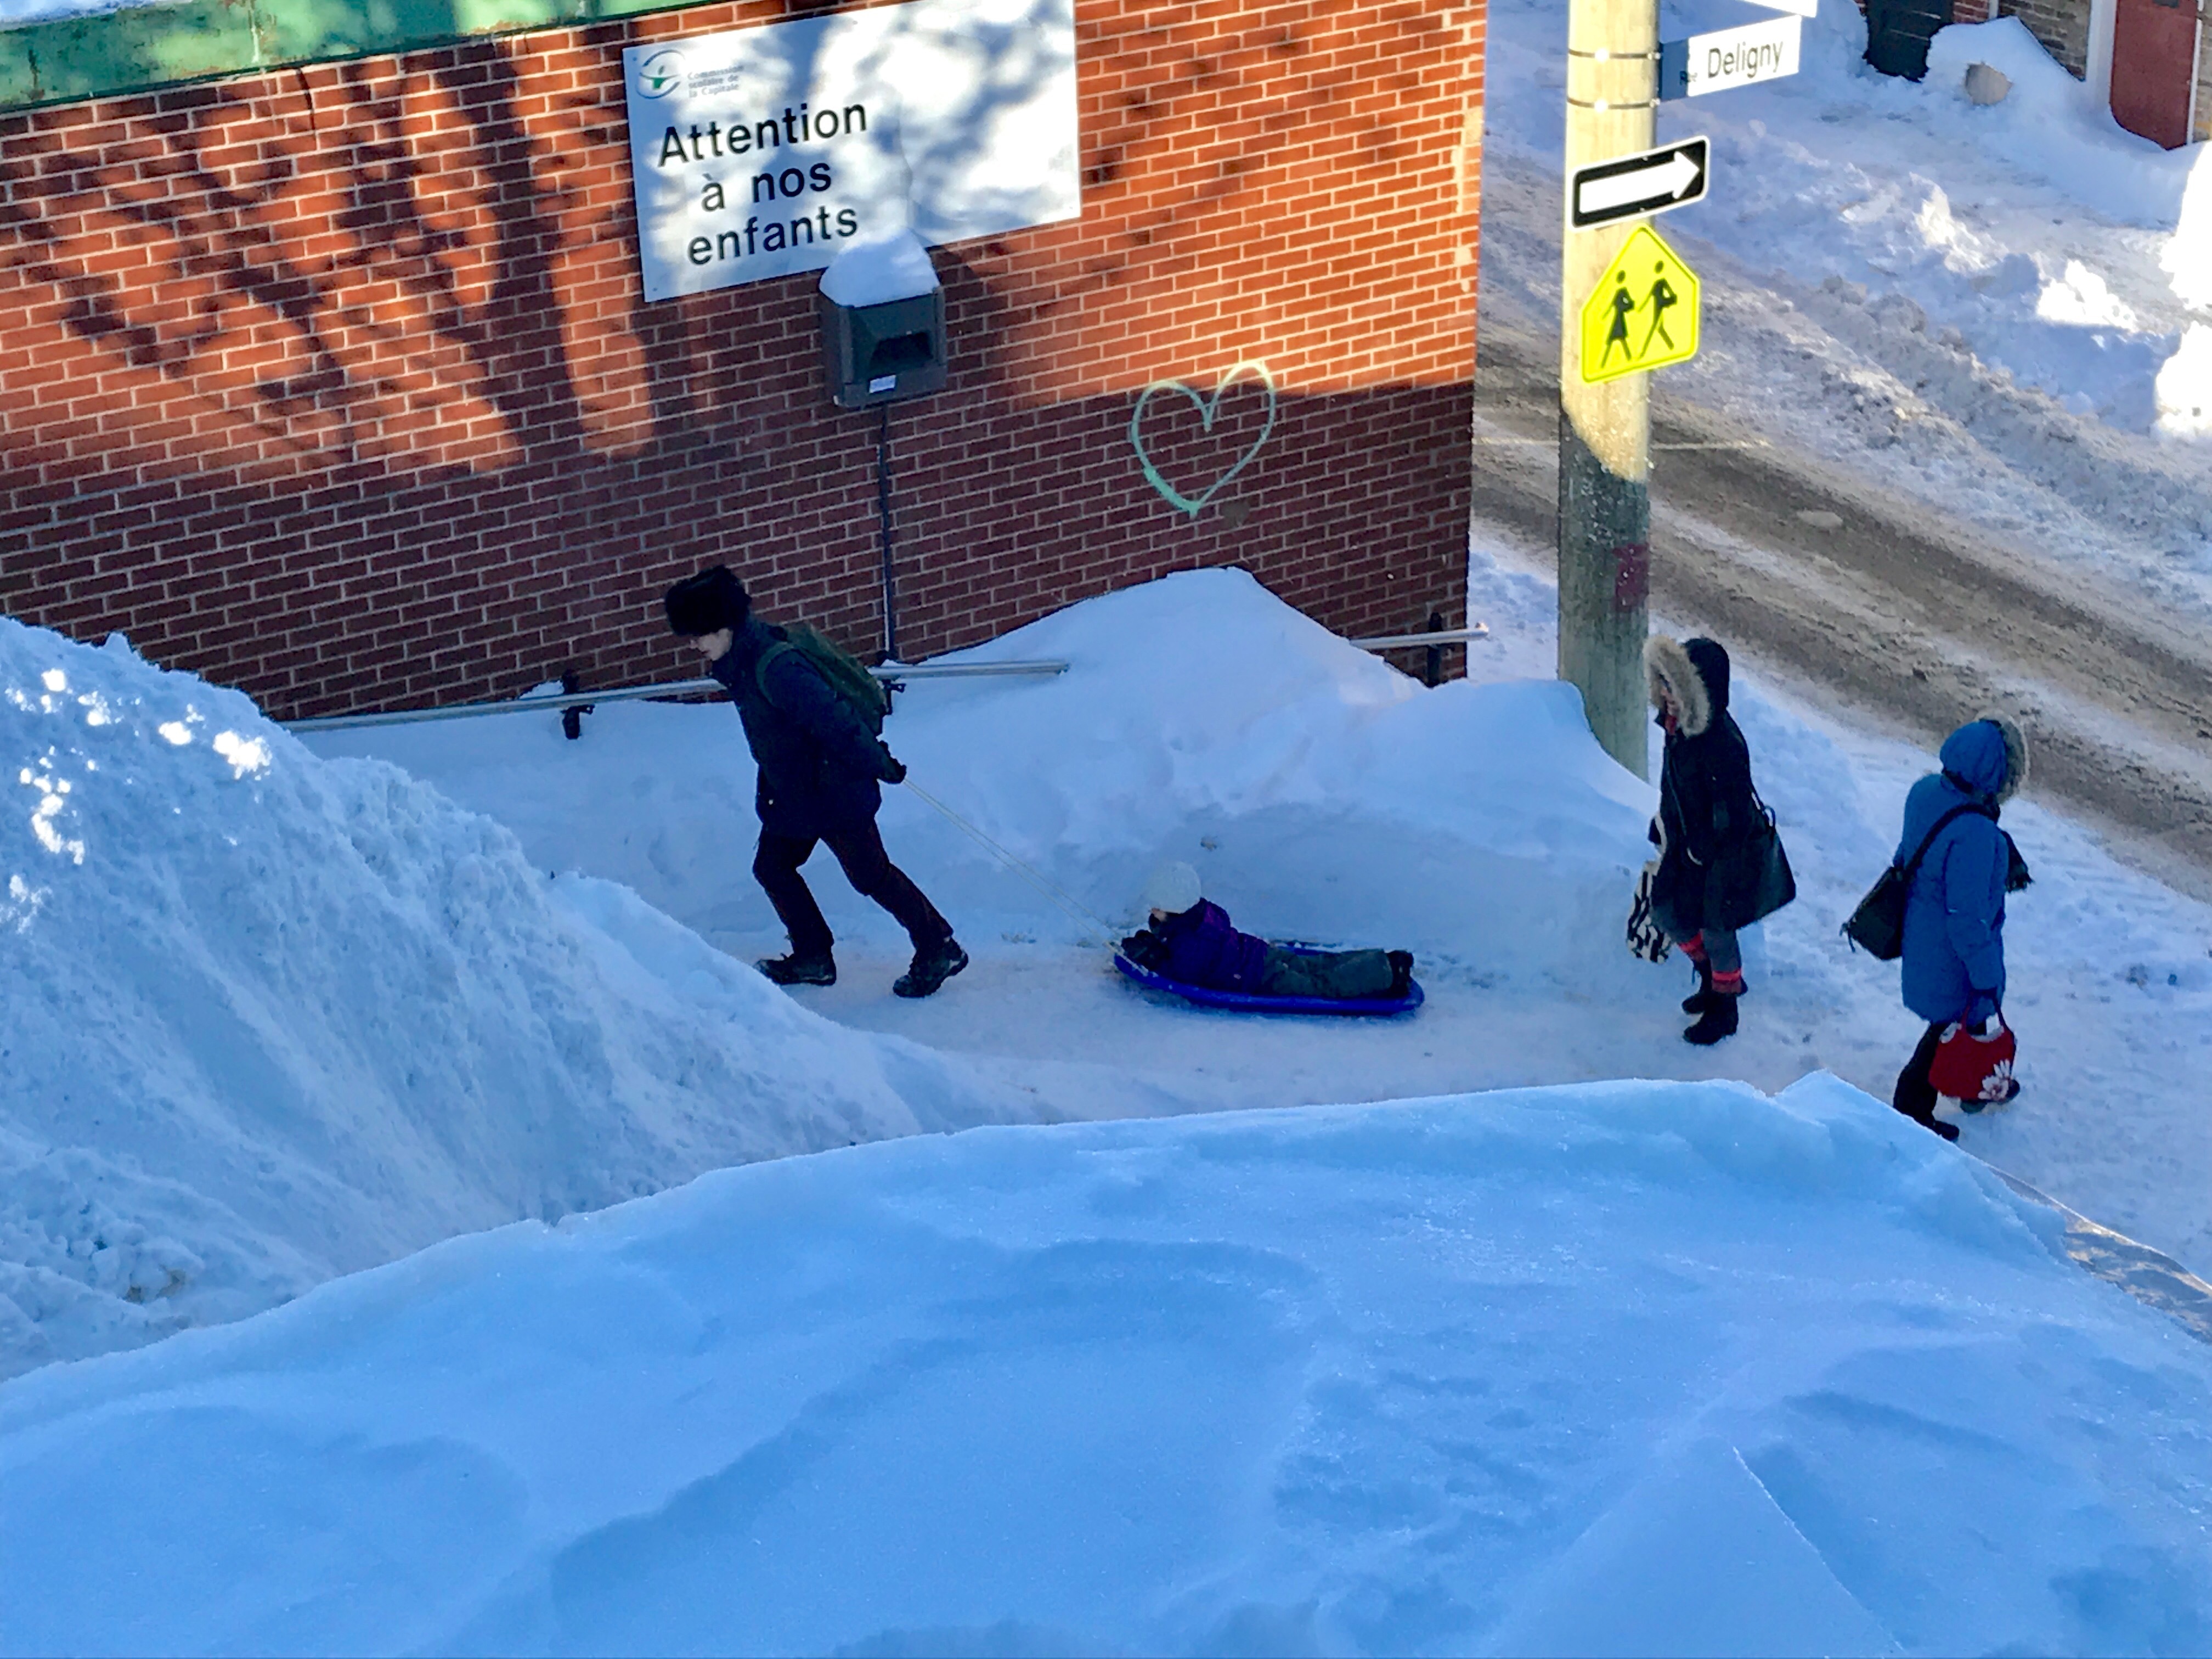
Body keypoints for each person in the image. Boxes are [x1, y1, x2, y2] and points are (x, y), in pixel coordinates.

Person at [663, 565, 967, 999]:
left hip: (832, 791)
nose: (693, 645)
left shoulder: (776, 667)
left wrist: (878, 763)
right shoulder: (742, 662)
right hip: (794, 795)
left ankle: (939, 946)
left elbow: (835, 719)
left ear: (723, 626)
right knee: (772, 868)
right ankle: (814, 958)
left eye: (697, 635)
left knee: (871, 876)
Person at [1891, 716, 2029, 1141]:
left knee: (1963, 1025)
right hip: (1954, 953)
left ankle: (1977, 1087)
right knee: (1953, 1025)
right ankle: (1912, 1107)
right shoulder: (1977, 833)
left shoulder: (1926, 792)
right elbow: (1967, 917)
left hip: (1923, 935)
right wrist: (1987, 977)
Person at [1645, 634, 1762, 1045]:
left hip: (1720, 856)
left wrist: (1705, 848)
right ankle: (1714, 979)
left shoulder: (1720, 743)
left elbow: (1734, 811)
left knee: (1716, 929)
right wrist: (1664, 822)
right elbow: (1675, 787)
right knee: (1666, 910)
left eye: (1678, 688)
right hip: (1686, 846)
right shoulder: (1678, 731)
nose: (1668, 696)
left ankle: (1724, 1008)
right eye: (1666, 685)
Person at [1119, 862, 1413, 1001]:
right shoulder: (1202, 914)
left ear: (1172, 908)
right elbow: (1184, 939)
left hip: (1260, 977)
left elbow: (1184, 974)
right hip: (1259, 954)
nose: (1151, 912)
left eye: (1156, 908)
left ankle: (1389, 974)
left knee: (1320, 986)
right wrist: (1159, 938)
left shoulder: (1190, 944)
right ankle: (1382, 961)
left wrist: (1153, 959)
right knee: (1316, 966)